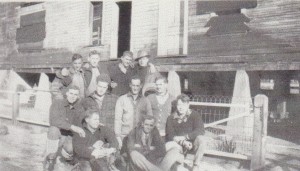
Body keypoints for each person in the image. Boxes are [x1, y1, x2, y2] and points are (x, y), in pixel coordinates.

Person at [44, 85, 86, 171]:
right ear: (66, 93)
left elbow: (80, 126)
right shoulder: (57, 103)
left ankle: (66, 159)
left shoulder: (80, 109)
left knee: (69, 151)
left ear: (78, 96)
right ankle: (50, 159)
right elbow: (54, 121)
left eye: (75, 94)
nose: (73, 96)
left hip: (69, 136)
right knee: (53, 130)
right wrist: (72, 126)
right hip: (58, 132)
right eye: (71, 93)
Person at [165, 94, 206, 171]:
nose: (181, 107)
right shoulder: (171, 118)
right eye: (179, 105)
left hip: (192, 143)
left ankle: (195, 165)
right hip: (179, 144)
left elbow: (200, 130)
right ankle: (177, 162)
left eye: (183, 105)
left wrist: (186, 137)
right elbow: (170, 135)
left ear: (188, 105)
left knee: (202, 139)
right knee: (168, 147)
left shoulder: (194, 115)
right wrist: (183, 142)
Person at [114, 76, 152, 148]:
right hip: (125, 136)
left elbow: (150, 120)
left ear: (141, 86)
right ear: (130, 85)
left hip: (141, 137)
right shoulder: (122, 99)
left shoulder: (146, 101)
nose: (135, 88)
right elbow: (117, 120)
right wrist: (118, 137)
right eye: (133, 85)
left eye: (137, 86)